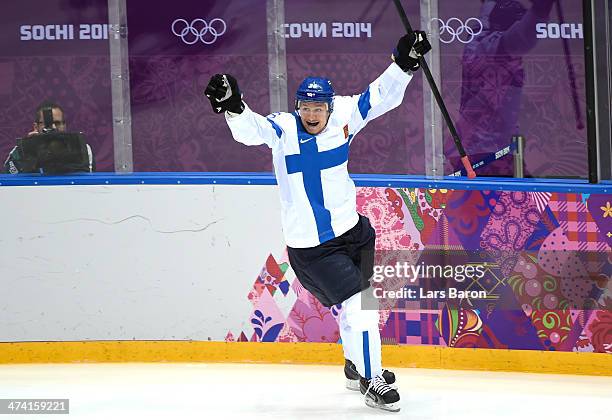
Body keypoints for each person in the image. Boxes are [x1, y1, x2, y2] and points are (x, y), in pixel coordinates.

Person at [205, 31, 431, 412]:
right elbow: (252, 130)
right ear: (297, 107)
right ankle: (371, 379)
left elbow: (379, 97)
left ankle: (354, 365)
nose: (311, 115)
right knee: (361, 304)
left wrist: (404, 63)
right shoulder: (283, 129)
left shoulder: (344, 115)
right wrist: (234, 107)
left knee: (354, 305)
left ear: (329, 107)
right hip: (313, 249)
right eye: (305, 108)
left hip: (354, 233)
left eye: (317, 108)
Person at [4, 100, 95, 174]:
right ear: (36, 127)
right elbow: (9, 185)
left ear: (65, 125)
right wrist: (29, 152)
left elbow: (86, 182)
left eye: (58, 123)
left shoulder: (82, 149)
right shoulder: (19, 151)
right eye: (48, 124)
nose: (54, 127)